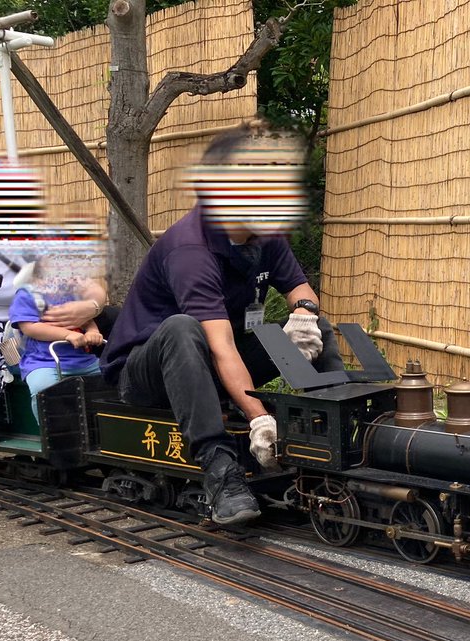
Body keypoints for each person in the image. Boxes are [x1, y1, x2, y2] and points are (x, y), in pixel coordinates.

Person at [100, 125, 344, 525]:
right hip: (148, 372)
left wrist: (303, 311)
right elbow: (220, 346)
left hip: (215, 359)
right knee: (183, 328)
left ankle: (334, 435)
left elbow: (301, 287)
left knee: (319, 326)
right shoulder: (191, 250)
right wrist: (258, 416)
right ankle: (220, 473)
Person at [0, 152, 105, 442]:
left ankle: (118, 400)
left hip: (48, 318)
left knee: (116, 316)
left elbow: (88, 281)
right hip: (3, 332)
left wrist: (91, 306)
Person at [8, 259, 104, 420]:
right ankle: (51, 435)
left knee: (110, 377)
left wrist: (93, 331)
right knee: (43, 389)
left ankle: (103, 430)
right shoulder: (27, 295)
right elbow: (30, 327)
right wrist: (66, 334)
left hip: (83, 360)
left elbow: (86, 319)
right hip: (44, 361)